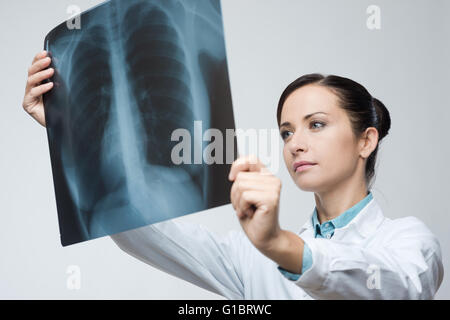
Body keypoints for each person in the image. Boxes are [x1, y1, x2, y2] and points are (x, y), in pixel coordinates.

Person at [23, 50, 444, 299]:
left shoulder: (409, 242)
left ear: (366, 141)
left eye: (316, 124)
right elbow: (141, 228)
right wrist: (71, 135)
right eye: (286, 131)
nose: (295, 143)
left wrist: (279, 245)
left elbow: (395, 288)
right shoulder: (250, 256)